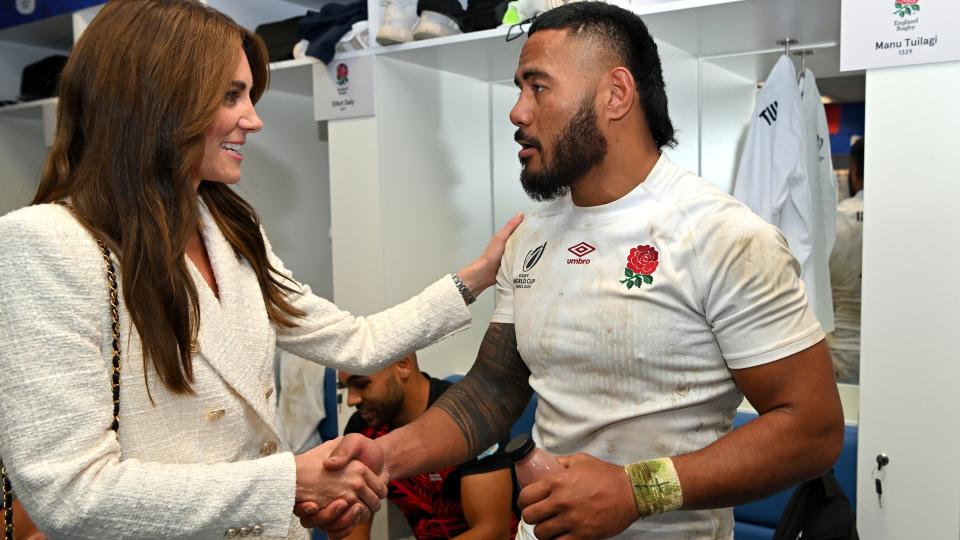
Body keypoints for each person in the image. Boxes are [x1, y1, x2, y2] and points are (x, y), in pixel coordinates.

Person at [300, 3, 845, 539]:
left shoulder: (724, 236)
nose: (517, 111)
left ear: (615, 94)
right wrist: (381, 457)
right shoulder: (531, 238)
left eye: (538, 86)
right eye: (518, 88)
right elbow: (493, 390)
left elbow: (812, 430)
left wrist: (637, 490)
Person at [0, 1, 521, 539]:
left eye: (249, 93)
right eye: (231, 95)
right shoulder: (47, 243)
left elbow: (355, 340)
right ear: (156, 100)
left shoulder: (227, 229)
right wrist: (288, 482)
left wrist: (478, 276)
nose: (254, 118)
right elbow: (69, 492)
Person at [339, 353, 518, 540]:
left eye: (361, 384)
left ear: (403, 365)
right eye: (345, 388)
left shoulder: (472, 415)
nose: (351, 400)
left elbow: (493, 531)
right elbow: (353, 528)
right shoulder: (363, 430)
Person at [827, 138, 865, 384]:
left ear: (854, 170)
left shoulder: (834, 220)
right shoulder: (908, 225)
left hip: (840, 350)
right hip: (895, 349)